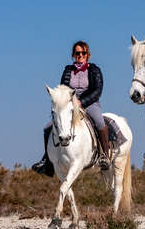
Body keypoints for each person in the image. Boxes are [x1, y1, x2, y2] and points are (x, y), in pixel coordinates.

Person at [32, 41, 111, 176]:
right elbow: (63, 89)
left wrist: (81, 102)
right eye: (77, 53)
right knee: (47, 127)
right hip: (70, 104)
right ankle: (47, 161)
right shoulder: (68, 70)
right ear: (73, 55)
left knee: (99, 121)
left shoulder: (94, 69)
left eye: (83, 53)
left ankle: (105, 155)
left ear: (87, 54)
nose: (80, 55)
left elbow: (97, 90)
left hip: (89, 103)